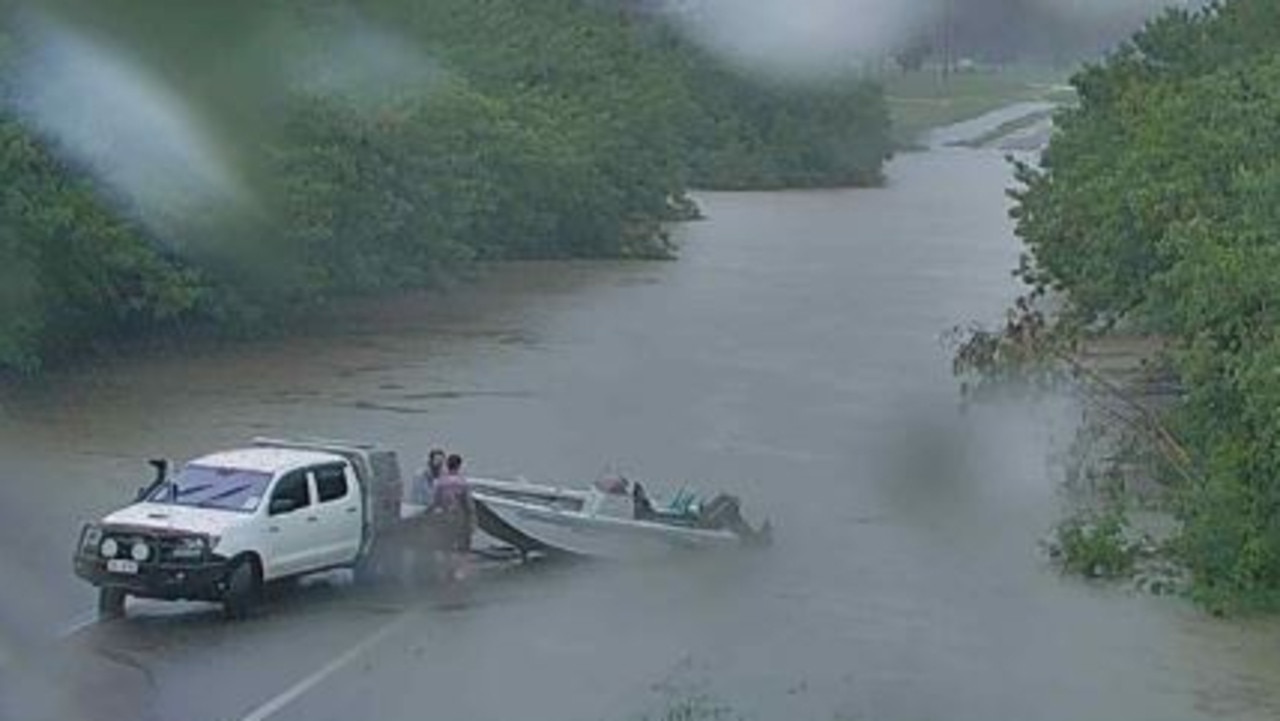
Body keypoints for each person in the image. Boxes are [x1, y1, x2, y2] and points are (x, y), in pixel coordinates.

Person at [428, 453, 474, 581]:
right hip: (459, 517)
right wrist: (471, 520)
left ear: (447, 466)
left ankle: (448, 571)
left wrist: (429, 513)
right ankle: (461, 572)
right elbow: (468, 503)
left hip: (445, 517)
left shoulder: (440, 482)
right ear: (459, 466)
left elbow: (435, 502)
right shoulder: (462, 482)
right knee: (463, 546)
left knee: (446, 545)